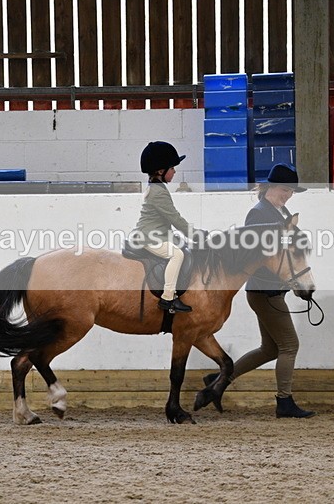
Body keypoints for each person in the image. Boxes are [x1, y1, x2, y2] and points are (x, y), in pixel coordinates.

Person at [205, 163, 316, 418]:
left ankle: (220, 379)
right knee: (290, 345)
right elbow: (258, 257)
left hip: (270, 291)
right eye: (285, 190)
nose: (288, 195)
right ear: (271, 188)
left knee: (270, 349)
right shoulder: (258, 215)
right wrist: (291, 279)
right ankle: (284, 402)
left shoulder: (280, 212)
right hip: (265, 292)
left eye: (291, 191)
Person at [133, 141, 198, 313]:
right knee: (177, 255)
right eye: (172, 168)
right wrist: (195, 234)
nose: (175, 171)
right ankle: (168, 298)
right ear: (161, 171)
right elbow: (175, 218)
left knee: (182, 246)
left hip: (158, 233)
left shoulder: (156, 187)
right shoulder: (158, 192)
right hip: (149, 237)